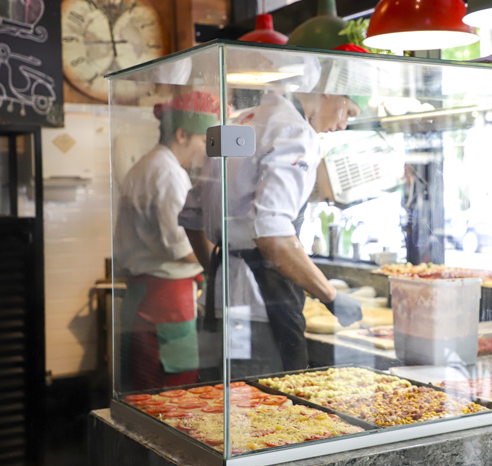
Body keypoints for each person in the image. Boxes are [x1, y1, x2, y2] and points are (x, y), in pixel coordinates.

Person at [180, 83, 365, 376]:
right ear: (330, 91)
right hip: (262, 307)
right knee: (269, 396)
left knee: (226, 393)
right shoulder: (294, 131)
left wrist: (220, 270)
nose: (343, 124)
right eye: (349, 111)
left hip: (222, 301)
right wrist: (331, 296)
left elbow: (192, 215)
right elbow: (272, 236)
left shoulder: (239, 122)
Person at [114, 91, 220, 391]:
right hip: (164, 303)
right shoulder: (168, 173)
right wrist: (223, 262)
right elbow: (184, 249)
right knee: (170, 394)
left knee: (143, 391)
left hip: (146, 299)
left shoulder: (146, 165)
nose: (207, 151)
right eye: (204, 141)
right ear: (182, 134)